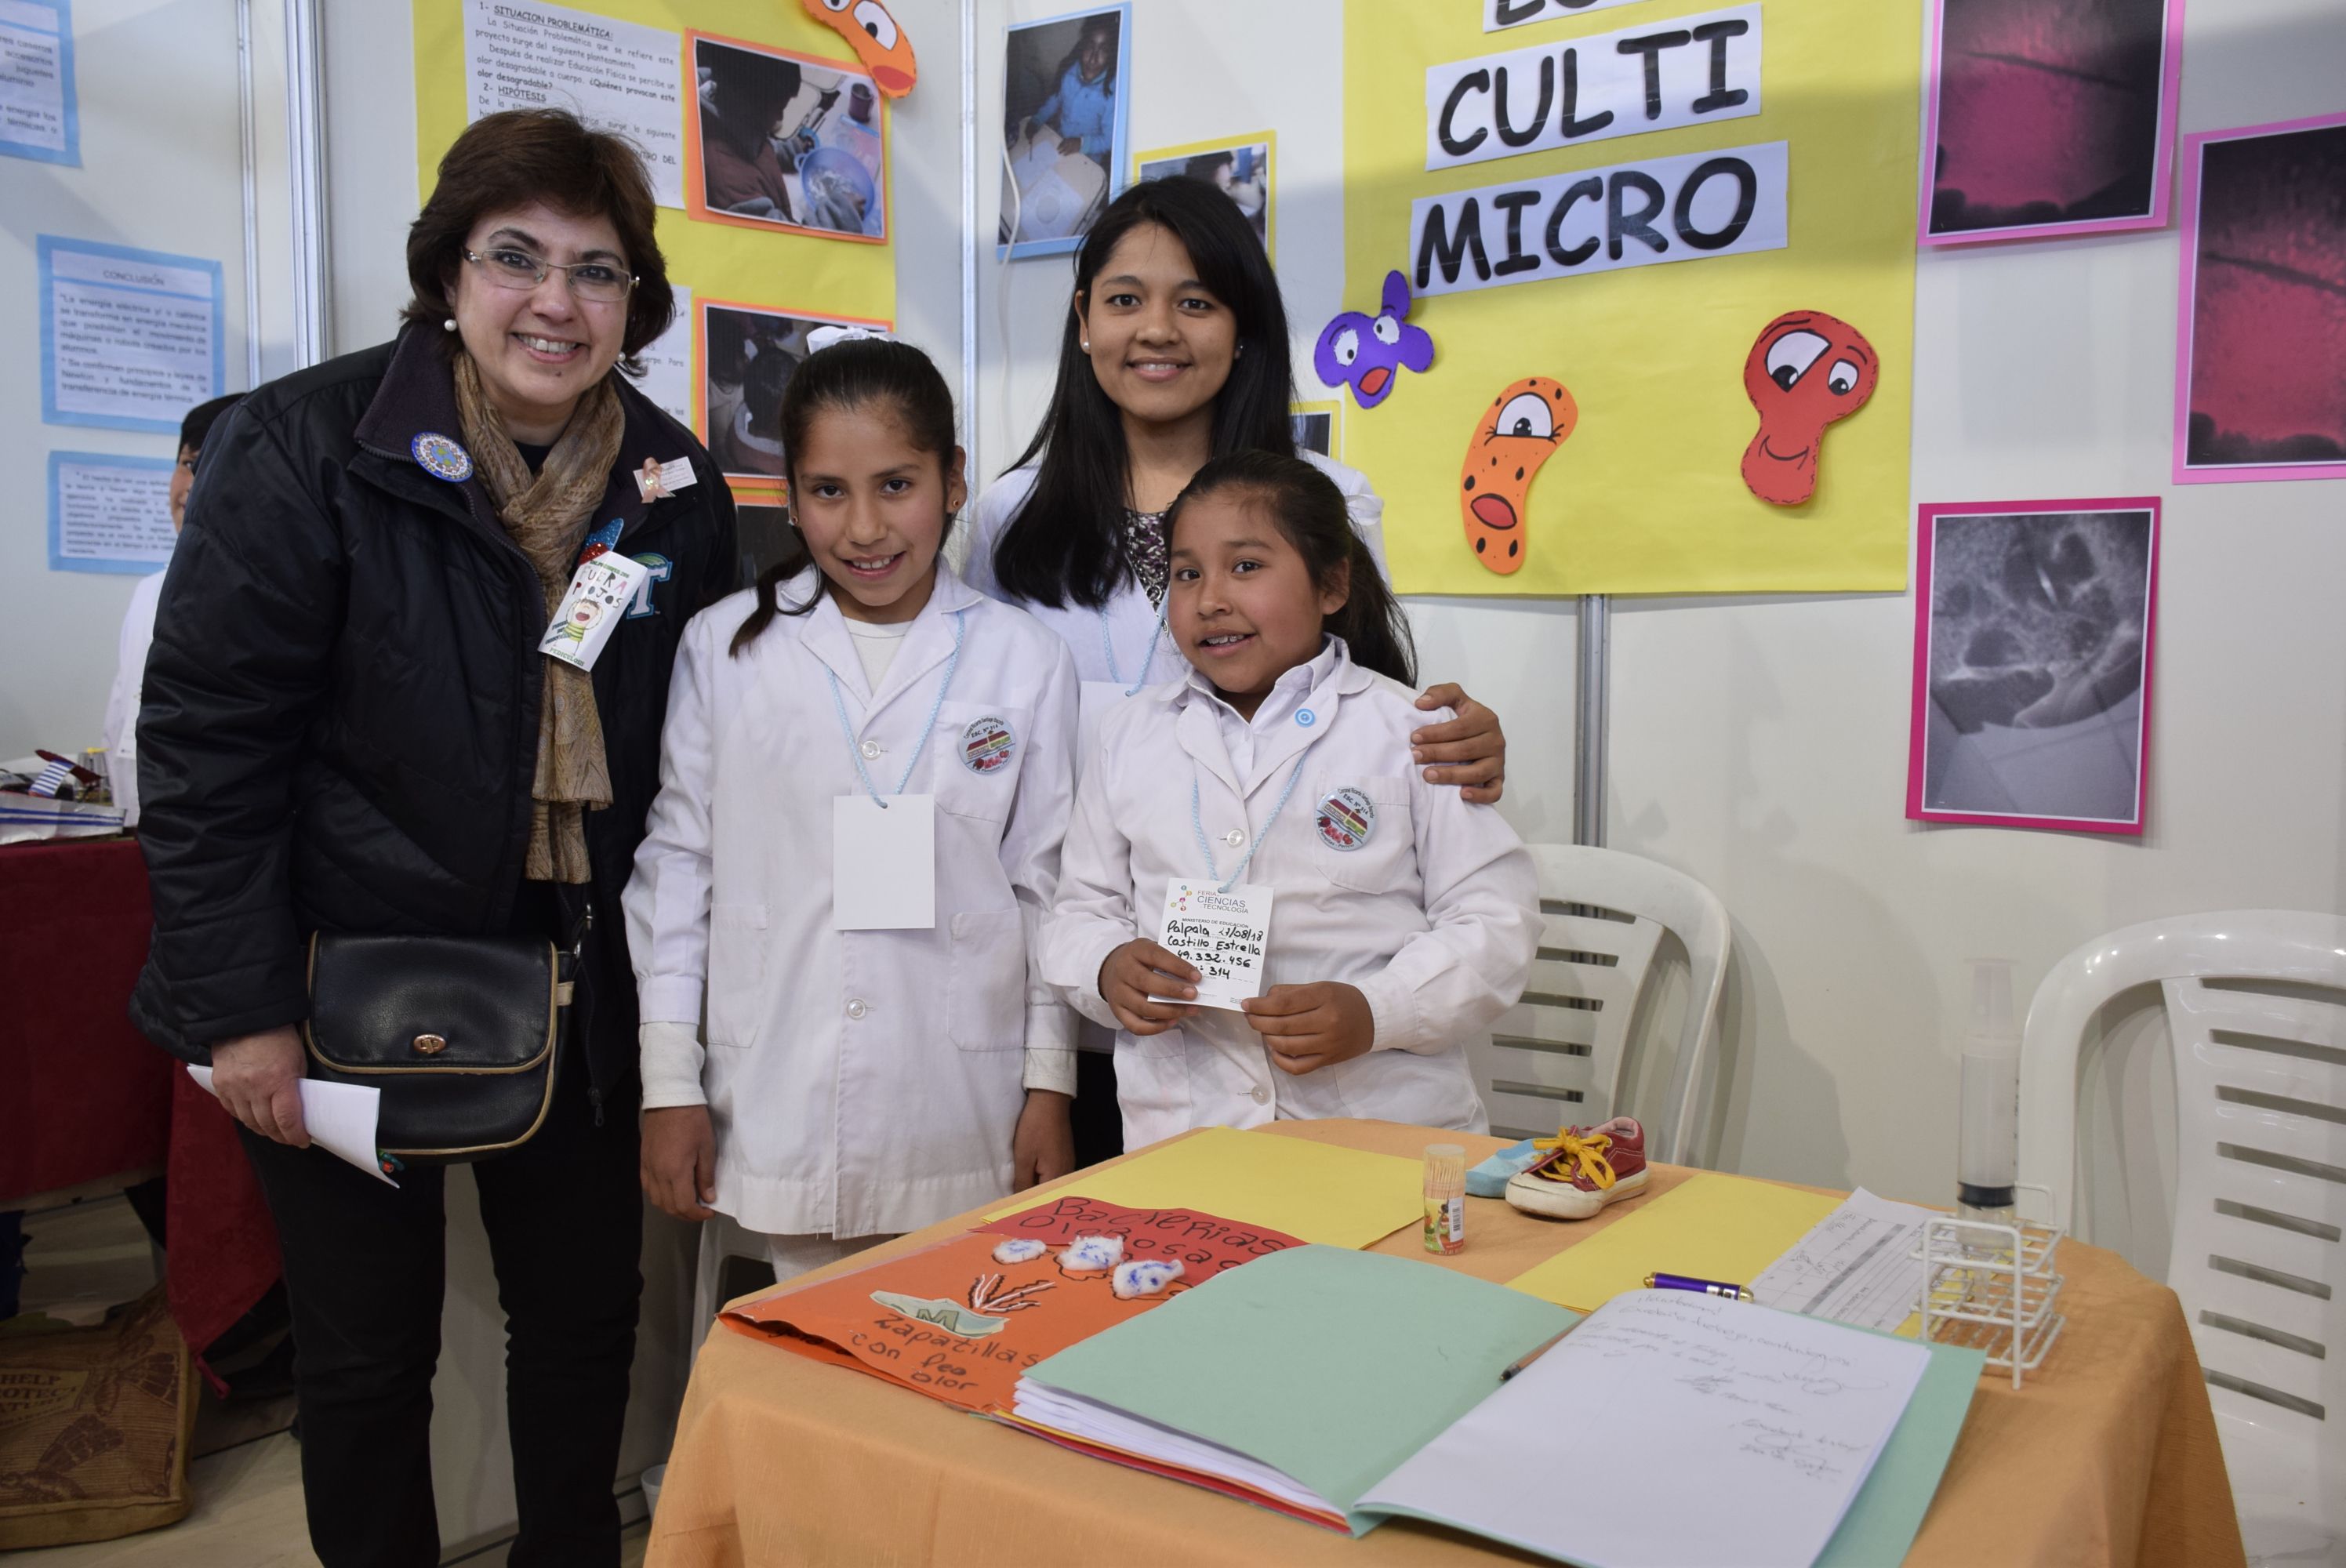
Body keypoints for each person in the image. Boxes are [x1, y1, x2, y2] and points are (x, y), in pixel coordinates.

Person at [129, 108, 736, 1568]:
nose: (555, 301)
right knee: (364, 1357)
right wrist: (244, 1012)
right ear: (449, 274)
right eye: (516, 257)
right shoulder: (306, 445)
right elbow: (209, 748)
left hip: (584, 983)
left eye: (597, 270)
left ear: (635, 302)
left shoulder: (674, 486)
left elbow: (699, 765)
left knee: (583, 1334)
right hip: (337, 984)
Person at [962, 175, 1511, 1157]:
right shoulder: (1009, 516)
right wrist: (1083, 975)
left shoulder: (1325, 496)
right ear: (1082, 321)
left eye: (1196, 301)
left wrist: (1465, 736)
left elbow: (1368, 702)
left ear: (1244, 325)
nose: (1156, 329)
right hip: (1076, 990)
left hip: (1296, 1028)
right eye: (1124, 298)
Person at [627, 336, 1079, 1286]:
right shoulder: (724, 648)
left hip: (960, 1097)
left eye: (896, 485)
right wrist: (668, 1081)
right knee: (784, 1347)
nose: (865, 527)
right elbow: (677, 871)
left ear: (953, 480)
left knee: (958, 1329)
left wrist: (1050, 1080)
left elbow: (1043, 888)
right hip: (772, 1090)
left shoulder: (1023, 658)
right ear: (789, 496)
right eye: (829, 490)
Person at [1040, 452, 1540, 1149]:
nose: (1210, 599)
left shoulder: (1415, 733)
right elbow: (1078, 911)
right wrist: (1105, 967)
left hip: (1379, 1134)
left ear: (1332, 583)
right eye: (1187, 574)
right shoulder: (1130, 736)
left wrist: (1377, 1011)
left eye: (1246, 566)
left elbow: (1494, 922)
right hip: (1186, 1138)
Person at [100, 391, 245, 826]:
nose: (191, 484)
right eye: (186, 463)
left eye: (210, 463)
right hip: (136, 822)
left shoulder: (270, 594)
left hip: (219, 826)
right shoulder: (149, 591)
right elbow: (120, 713)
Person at [699, 46, 801, 221]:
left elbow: (759, 145)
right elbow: (780, 234)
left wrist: (791, 151)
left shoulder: (736, 119)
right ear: (746, 107)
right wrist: (838, 214)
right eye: (779, 109)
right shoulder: (731, 185)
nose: (780, 117)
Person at [1024, 15, 1117, 166]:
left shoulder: (1112, 94)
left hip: (1088, 158)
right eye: (1090, 46)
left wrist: (1081, 143)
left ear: (1111, 55)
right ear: (1083, 45)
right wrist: (1037, 120)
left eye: (1103, 50)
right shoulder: (1069, 72)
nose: (1093, 58)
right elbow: (1055, 100)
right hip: (1060, 141)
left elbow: (1109, 140)